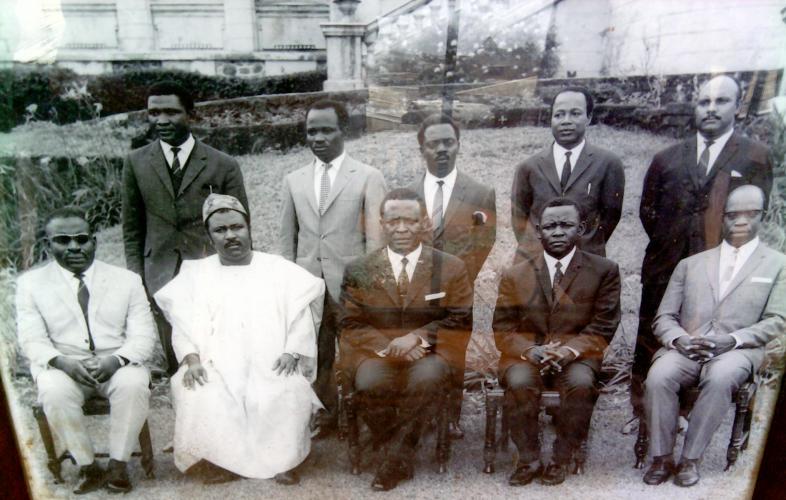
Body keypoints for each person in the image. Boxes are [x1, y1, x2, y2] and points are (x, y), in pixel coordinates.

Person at [155, 194, 325, 485]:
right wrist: (192, 359)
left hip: (272, 358)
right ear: (209, 236)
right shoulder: (196, 274)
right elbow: (181, 326)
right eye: (220, 230)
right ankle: (222, 459)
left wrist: (292, 353)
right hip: (215, 361)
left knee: (285, 390)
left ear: (249, 228)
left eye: (237, 227)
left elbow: (302, 317)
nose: (230, 235)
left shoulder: (277, 268)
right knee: (200, 390)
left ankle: (285, 459)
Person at [632, 75, 774, 423]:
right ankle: (642, 411)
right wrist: (673, 243)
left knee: (703, 332)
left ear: (738, 108)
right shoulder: (667, 157)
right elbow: (648, 210)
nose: (711, 109)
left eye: (721, 101)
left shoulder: (755, 156)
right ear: (694, 108)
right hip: (666, 262)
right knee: (653, 331)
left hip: (718, 264)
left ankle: (687, 409)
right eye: (704, 102)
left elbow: (754, 212)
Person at [642, 185, 786, 488]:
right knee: (659, 375)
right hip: (686, 348)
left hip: (737, 350)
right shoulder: (691, 264)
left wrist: (732, 340)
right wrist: (679, 339)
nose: (742, 221)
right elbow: (664, 317)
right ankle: (661, 457)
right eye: (733, 215)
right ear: (721, 218)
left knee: (721, 376)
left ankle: (690, 459)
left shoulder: (777, 264)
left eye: (752, 214)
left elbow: (777, 320)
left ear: (764, 215)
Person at [337, 188, 473, 491]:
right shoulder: (358, 269)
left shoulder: (450, 267)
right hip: (377, 354)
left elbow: (460, 319)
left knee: (427, 378)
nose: (401, 229)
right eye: (393, 221)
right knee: (370, 382)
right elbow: (348, 322)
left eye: (410, 221)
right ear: (381, 223)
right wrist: (389, 347)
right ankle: (399, 453)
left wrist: (416, 338)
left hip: (429, 355)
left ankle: (393, 459)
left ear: (424, 223)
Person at [16, 207, 157, 494]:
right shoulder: (30, 284)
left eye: (81, 239)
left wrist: (116, 360)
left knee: (133, 383)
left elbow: (143, 335)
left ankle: (118, 465)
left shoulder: (126, 280)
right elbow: (31, 339)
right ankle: (88, 465)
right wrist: (61, 362)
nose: (74, 247)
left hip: (116, 363)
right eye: (63, 240)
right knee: (53, 390)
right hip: (64, 366)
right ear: (48, 244)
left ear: (94, 241)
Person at [122, 80, 249, 374]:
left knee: (219, 353)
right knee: (176, 359)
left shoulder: (223, 164)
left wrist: (238, 276)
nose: (162, 120)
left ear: (191, 114)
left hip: (210, 269)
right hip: (160, 273)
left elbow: (242, 227)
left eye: (171, 112)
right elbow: (132, 229)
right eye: (154, 113)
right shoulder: (136, 163)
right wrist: (137, 278)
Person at [493, 197, 621, 487]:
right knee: (519, 380)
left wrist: (569, 350)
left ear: (582, 229)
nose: (559, 232)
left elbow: (604, 324)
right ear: (539, 232)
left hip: (578, 354)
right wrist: (530, 350)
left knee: (580, 383)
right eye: (550, 226)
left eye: (567, 225)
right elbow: (502, 329)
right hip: (527, 355)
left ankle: (561, 458)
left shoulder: (604, 270)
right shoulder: (516, 274)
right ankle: (528, 458)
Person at [278, 99, 387, 435]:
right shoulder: (293, 180)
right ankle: (325, 414)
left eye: (327, 130)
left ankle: (361, 415)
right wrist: (288, 286)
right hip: (309, 285)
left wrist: (371, 287)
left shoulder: (368, 176)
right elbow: (287, 239)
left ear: (345, 131)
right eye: (311, 131)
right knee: (317, 353)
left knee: (355, 351)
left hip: (353, 286)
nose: (318, 138)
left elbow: (376, 241)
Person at [407, 113, 496, 438]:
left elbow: (484, 242)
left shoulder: (480, 193)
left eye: (448, 142)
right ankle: (422, 413)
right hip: (416, 294)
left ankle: (450, 416)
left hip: (458, 295)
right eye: (433, 144)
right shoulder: (408, 195)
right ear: (422, 149)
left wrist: (458, 282)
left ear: (458, 145)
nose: (441, 149)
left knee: (454, 352)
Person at [511, 86, 625, 261]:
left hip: (586, 261)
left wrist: (586, 243)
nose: (566, 121)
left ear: (589, 118)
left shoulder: (608, 163)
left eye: (575, 113)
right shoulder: (528, 167)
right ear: (551, 119)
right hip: (535, 263)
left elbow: (609, 218)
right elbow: (519, 218)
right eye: (559, 115)